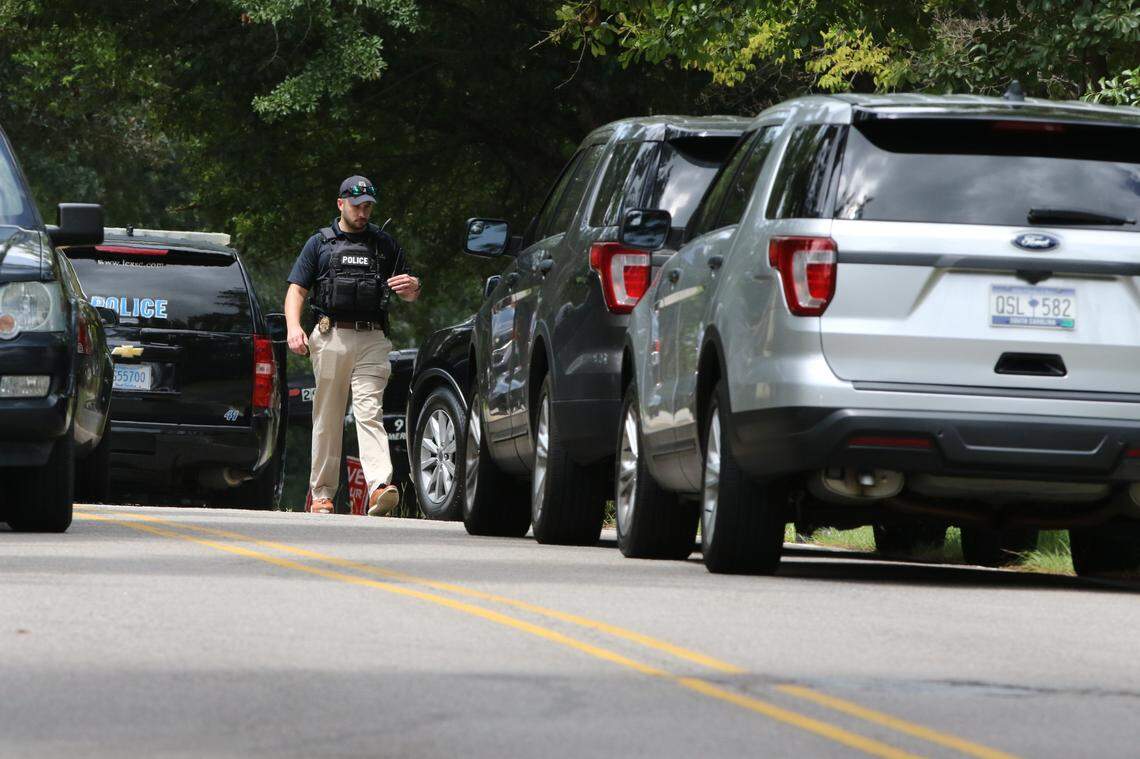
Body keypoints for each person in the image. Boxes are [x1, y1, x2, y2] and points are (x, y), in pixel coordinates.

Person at [284, 175, 421, 516]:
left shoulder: (384, 244)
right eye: (358, 206)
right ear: (341, 203)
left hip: (373, 338)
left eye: (369, 207)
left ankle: (378, 488)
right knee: (327, 417)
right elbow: (296, 290)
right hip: (331, 336)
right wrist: (293, 328)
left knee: (369, 410)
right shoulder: (319, 243)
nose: (363, 213)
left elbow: (409, 291)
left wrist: (413, 288)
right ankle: (322, 495)